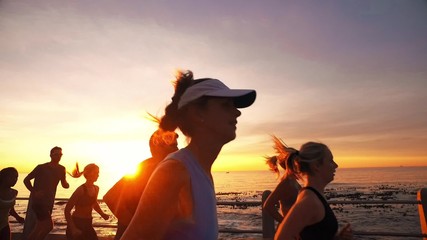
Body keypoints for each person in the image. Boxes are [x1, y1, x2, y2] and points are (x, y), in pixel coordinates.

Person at [121, 70, 256, 240]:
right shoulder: (175, 171)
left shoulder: (201, 172)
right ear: (198, 113)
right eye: (225, 105)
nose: (237, 113)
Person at [103, 129, 179, 240]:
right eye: (174, 146)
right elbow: (110, 197)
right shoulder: (148, 168)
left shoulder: (164, 169)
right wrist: (135, 227)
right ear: (158, 146)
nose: (178, 149)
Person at [274, 142, 353, 240]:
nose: (336, 165)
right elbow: (281, 238)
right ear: (316, 166)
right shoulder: (310, 201)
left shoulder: (313, 196)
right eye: (330, 161)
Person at [23, 146, 70, 240]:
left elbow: (64, 185)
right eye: (56, 154)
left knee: (39, 227)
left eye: (60, 154)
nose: (58, 156)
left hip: (49, 202)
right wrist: (34, 191)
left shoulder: (62, 169)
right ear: (51, 155)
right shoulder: (41, 167)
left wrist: (71, 180)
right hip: (39, 202)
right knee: (48, 226)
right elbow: (26, 180)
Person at [64, 163, 109, 240]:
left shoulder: (96, 188)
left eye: (98, 173)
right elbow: (67, 210)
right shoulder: (80, 190)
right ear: (88, 173)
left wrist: (102, 214)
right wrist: (73, 229)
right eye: (96, 173)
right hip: (77, 223)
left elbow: (94, 203)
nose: (98, 175)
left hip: (88, 223)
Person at [263, 136, 301, 223]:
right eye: (297, 162)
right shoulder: (286, 183)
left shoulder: (293, 181)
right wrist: (284, 223)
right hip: (291, 231)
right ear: (289, 164)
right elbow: (268, 205)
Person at [0, 167, 25, 240]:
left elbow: (11, 209)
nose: (15, 179)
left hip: (4, 226)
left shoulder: (14, 192)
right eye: (12, 177)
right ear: (3, 177)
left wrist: (18, 217)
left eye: (16, 177)